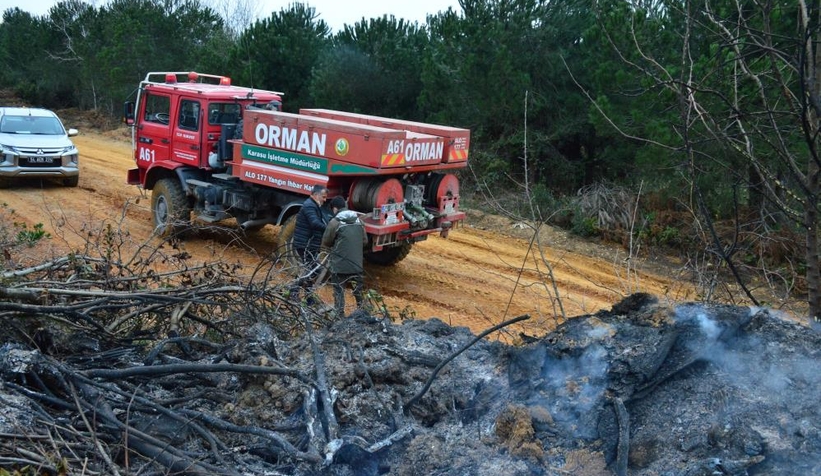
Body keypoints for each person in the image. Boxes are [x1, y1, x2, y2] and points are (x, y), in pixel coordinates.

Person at [321, 196, 368, 318]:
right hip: (356, 265)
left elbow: (326, 242)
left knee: (339, 291)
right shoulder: (359, 221)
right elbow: (364, 241)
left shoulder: (335, 222)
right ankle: (364, 314)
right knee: (358, 291)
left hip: (339, 265)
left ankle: (340, 316)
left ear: (335, 208)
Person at [289, 185, 328, 304]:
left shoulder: (312, 205)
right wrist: (329, 229)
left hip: (308, 244)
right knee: (313, 269)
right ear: (316, 195)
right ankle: (294, 290)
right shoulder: (309, 206)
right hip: (305, 244)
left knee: (310, 268)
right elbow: (315, 223)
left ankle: (308, 297)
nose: (325, 200)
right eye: (323, 197)